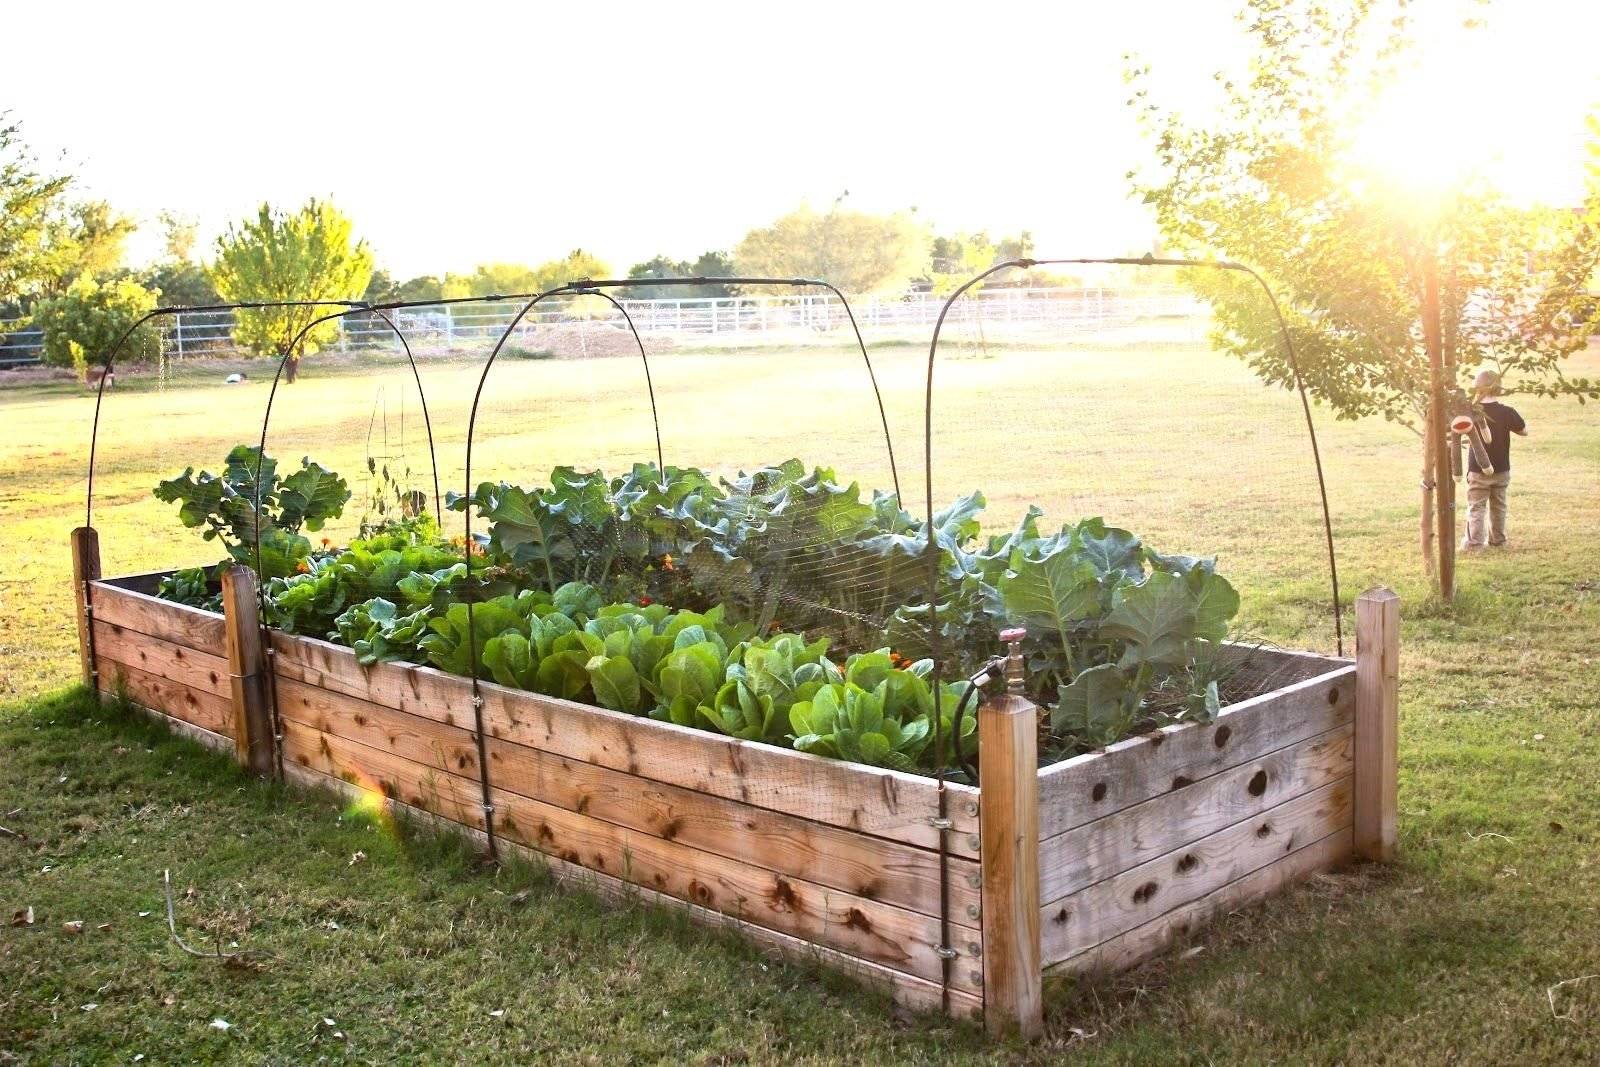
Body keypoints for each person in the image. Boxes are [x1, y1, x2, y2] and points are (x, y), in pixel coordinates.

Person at [1462, 369, 1528, 549]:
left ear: (1476, 388)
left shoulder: (1470, 412)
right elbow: (1523, 431)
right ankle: (1498, 541)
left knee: (1476, 507)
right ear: (1499, 389)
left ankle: (1474, 543)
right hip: (1502, 469)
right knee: (1499, 506)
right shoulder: (1507, 412)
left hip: (1477, 469)